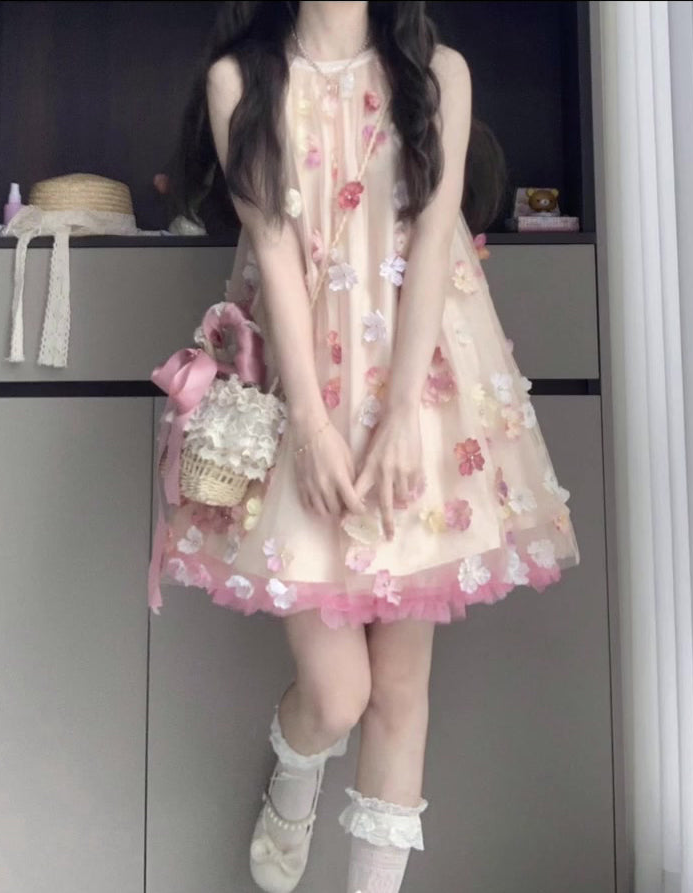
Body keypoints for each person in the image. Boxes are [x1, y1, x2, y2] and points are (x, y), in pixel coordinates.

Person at [149, 1, 581, 891]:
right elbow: (274, 257)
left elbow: (435, 249)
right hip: (305, 395)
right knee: (339, 694)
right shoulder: (242, 82)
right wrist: (313, 427)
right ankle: (296, 759)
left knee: (399, 691)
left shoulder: (439, 76)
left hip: (422, 396)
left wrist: (402, 418)